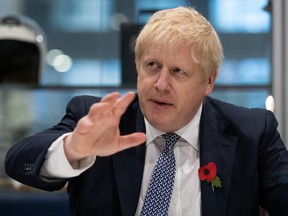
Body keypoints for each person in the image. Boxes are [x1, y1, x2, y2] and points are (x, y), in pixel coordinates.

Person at [4, 6, 288, 216]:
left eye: (178, 72)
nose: (161, 84)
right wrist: (73, 149)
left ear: (209, 81)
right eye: (152, 66)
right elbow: (18, 161)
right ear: (138, 68)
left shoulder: (251, 131)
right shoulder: (98, 118)